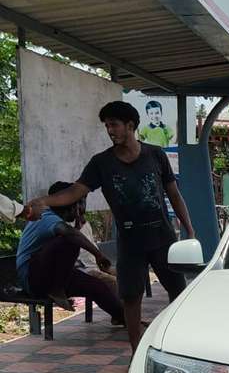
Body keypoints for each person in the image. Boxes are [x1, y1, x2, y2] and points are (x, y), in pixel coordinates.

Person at [26, 101, 195, 352]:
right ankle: (136, 352)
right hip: (129, 241)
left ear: (131, 126)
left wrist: (188, 229)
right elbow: (75, 191)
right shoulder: (101, 163)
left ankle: (178, 345)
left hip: (162, 236)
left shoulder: (156, 155)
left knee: (178, 291)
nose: (110, 130)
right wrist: (44, 201)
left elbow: (174, 194)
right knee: (131, 296)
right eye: (106, 126)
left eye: (114, 124)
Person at [15, 189, 124, 322]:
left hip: (53, 276)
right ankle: (57, 290)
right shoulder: (46, 216)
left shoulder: (59, 220)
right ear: (71, 206)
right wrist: (98, 255)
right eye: (79, 204)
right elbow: (69, 235)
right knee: (69, 240)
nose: (81, 208)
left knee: (97, 286)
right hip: (33, 280)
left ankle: (123, 318)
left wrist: (77, 226)